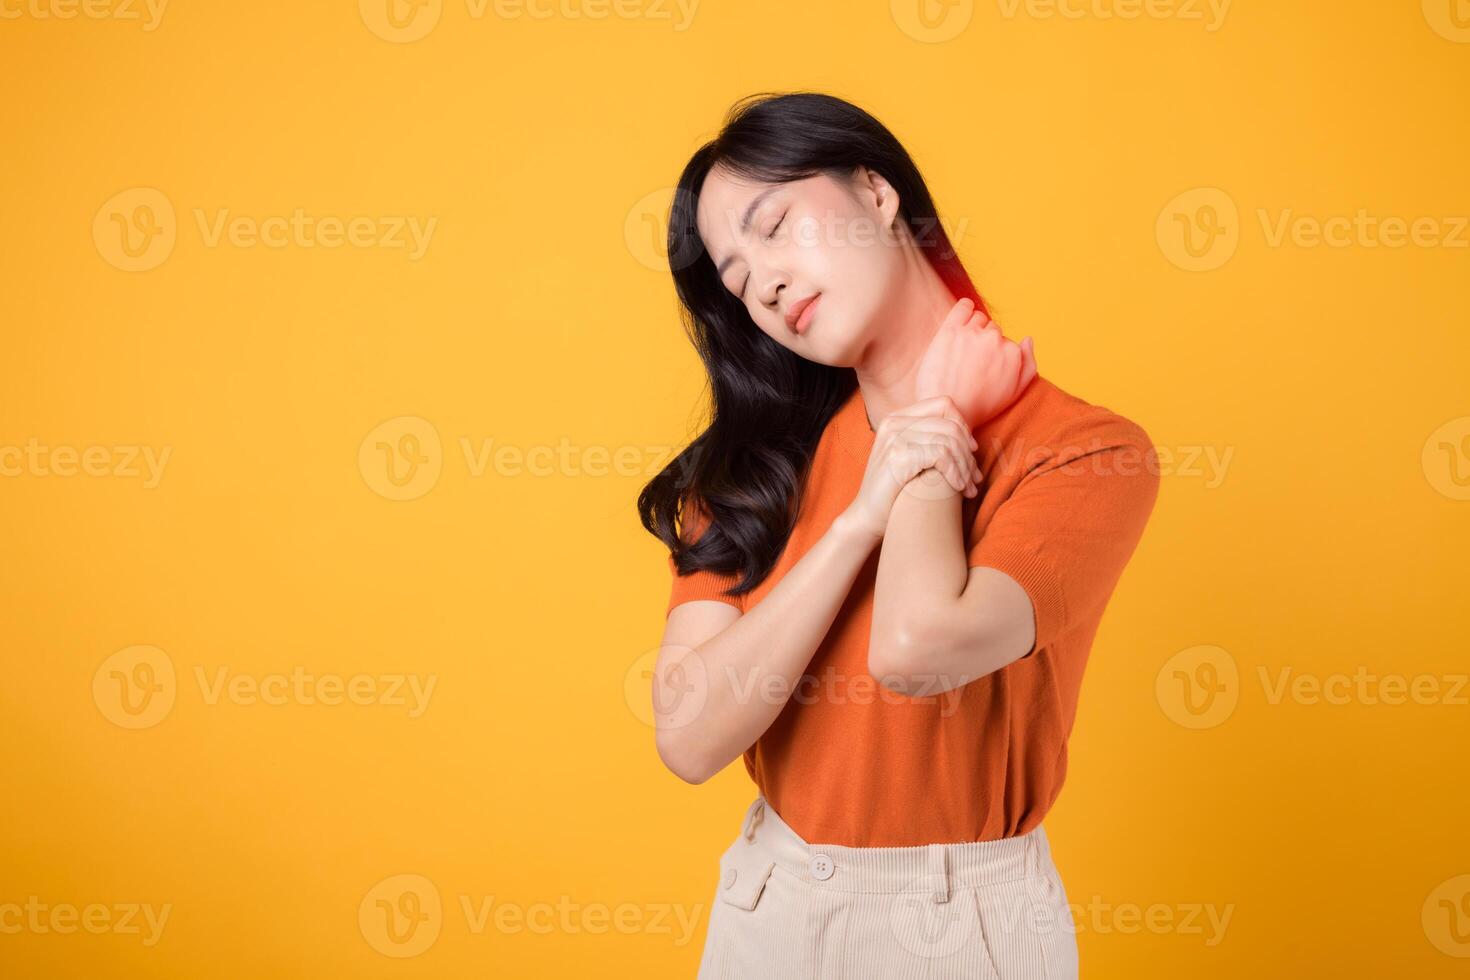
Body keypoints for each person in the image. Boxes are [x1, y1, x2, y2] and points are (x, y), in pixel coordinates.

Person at [636, 91, 1160, 979]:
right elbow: (688, 739)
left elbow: (917, 647)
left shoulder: (1088, 453)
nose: (760, 282)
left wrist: (928, 424)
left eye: (776, 225)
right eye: (734, 279)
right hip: (771, 901)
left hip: (963, 922)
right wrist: (856, 523)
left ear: (875, 192)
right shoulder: (752, 472)